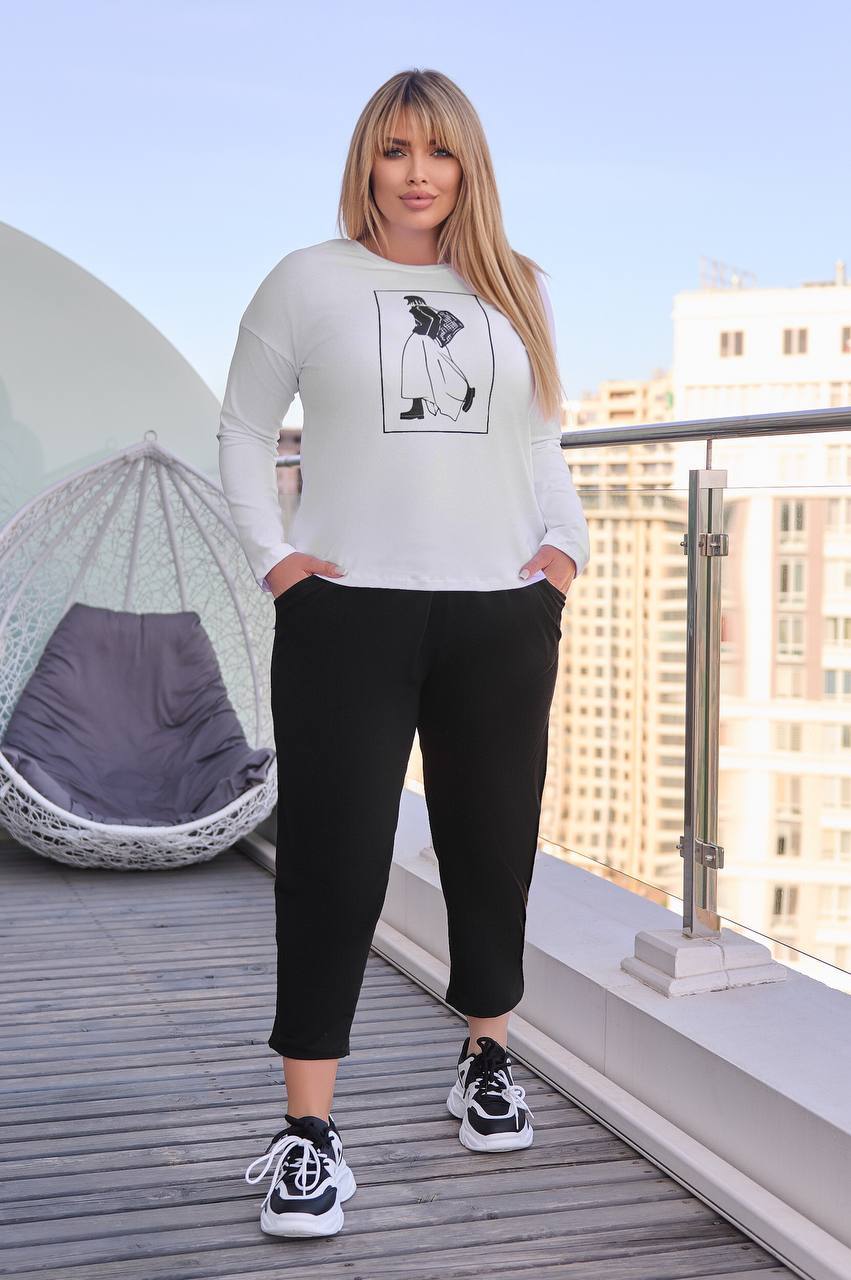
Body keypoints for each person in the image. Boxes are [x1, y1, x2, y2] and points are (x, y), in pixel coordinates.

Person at [218, 67, 590, 1240]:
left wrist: (561, 557)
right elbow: (243, 427)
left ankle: (484, 1056)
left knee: (491, 844)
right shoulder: (307, 280)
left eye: (437, 150)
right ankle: (308, 1131)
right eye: (393, 149)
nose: (416, 173)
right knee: (332, 860)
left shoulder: (514, 286)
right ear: (365, 163)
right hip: (347, 613)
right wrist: (278, 562)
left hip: (497, 611)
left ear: (466, 165)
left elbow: (539, 443)